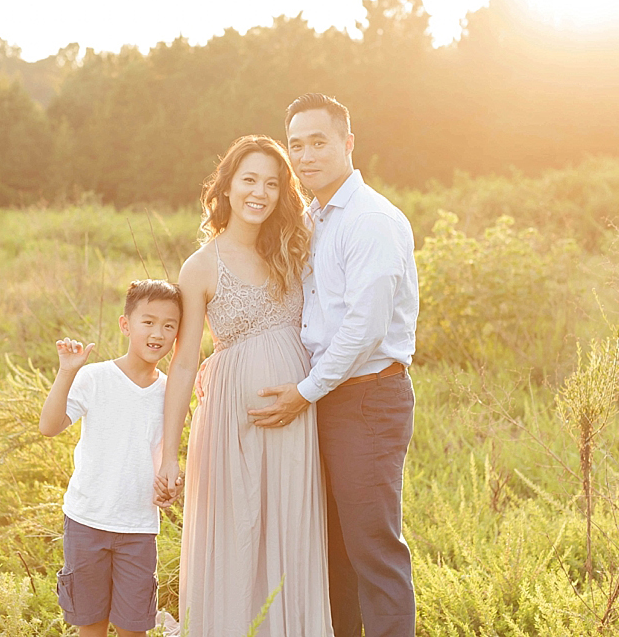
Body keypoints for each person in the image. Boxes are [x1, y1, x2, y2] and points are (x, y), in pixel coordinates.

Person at [251, 93, 420, 637]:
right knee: (332, 552)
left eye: (318, 142)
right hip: (327, 395)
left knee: (372, 546)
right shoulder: (312, 218)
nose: (305, 156)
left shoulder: (370, 219)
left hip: (366, 396)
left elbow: (363, 328)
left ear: (348, 143)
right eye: (295, 145)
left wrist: (304, 390)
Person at [155, 135, 331, 635]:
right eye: (249, 180)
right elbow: (185, 362)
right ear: (227, 187)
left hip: (298, 416)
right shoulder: (202, 265)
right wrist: (171, 454)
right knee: (238, 534)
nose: (261, 192)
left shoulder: (292, 249)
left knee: (290, 532)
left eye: (273, 183)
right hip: (232, 423)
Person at [40, 280, 182, 637]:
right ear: (125, 325)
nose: (158, 333)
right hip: (87, 522)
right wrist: (66, 370)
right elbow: (49, 426)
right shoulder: (95, 377)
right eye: (148, 321)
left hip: (137, 528)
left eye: (169, 325)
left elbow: (167, 456)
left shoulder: (170, 391)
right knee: (91, 626)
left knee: (134, 627)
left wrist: (172, 484)